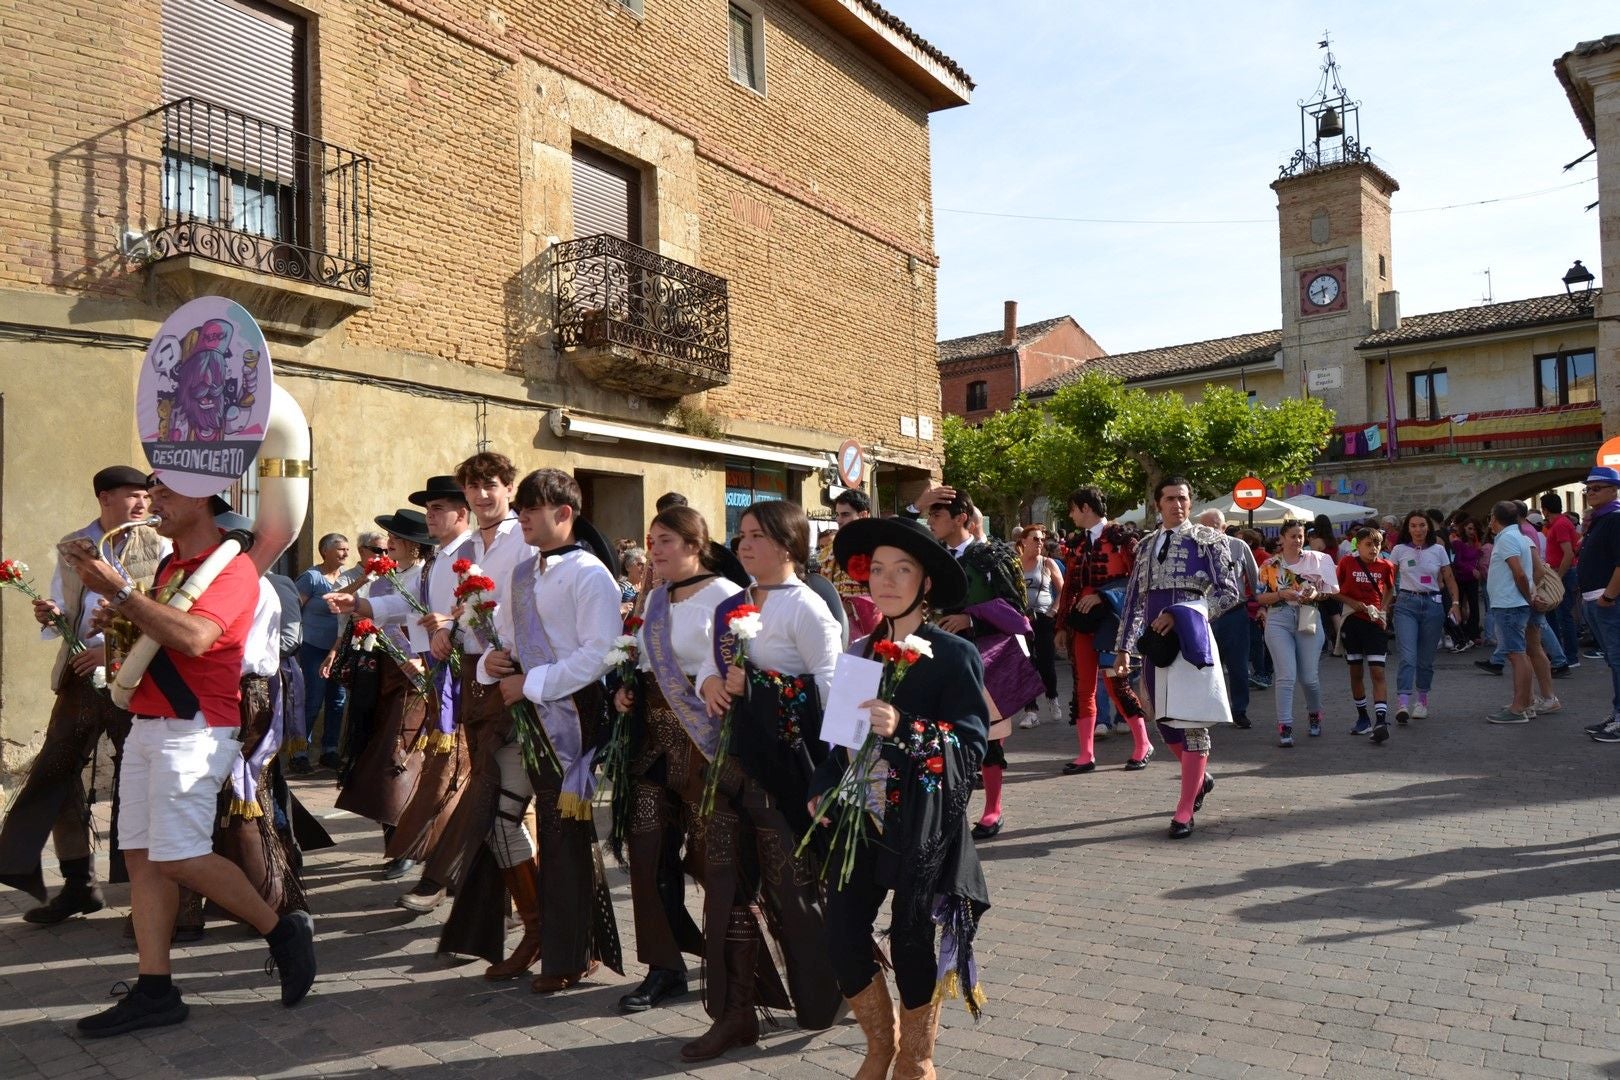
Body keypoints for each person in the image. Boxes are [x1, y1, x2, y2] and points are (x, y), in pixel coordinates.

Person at [62, 479, 315, 1036]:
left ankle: (282, 930)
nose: (152, 505)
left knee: (177, 857)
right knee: (143, 859)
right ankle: (156, 990)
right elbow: (155, 644)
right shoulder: (173, 565)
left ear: (201, 498)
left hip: (195, 727)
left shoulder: (232, 568)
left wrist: (125, 598)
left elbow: (198, 638)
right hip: (151, 721)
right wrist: (120, 626)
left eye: (163, 494)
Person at [814, 517, 992, 1079]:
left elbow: (971, 743)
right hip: (859, 820)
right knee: (842, 933)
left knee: (913, 939)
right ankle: (879, 1044)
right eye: (878, 571)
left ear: (926, 582)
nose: (886, 581)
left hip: (923, 825)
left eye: (903, 570)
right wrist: (820, 791)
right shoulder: (861, 650)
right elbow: (837, 741)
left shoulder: (954, 652)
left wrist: (907, 728)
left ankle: (917, 1057)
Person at [690, 500, 843, 1061]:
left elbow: (830, 689)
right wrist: (710, 681)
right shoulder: (734, 602)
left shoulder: (807, 609)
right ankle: (735, 1013)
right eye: (742, 534)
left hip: (781, 772)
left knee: (793, 892)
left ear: (786, 544)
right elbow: (712, 662)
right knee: (725, 888)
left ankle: (829, 993)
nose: (743, 543)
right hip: (730, 766)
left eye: (755, 535)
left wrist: (761, 684)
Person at [475, 468, 623, 994]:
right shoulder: (522, 573)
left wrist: (531, 683)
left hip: (571, 715)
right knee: (497, 819)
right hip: (526, 707)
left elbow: (600, 652)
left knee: (563, 836)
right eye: (523, 512)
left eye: (533, 511)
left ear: (565, 514)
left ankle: (571, 953)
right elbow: (510, 640)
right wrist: (491, 663)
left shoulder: (590, 574)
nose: (524, 521)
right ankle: (541, 932)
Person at [0, 466, 167, 923]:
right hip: (79, 673)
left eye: (146, 497)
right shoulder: (73, 544)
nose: (143, 505)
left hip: (134, 675)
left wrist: (107, 650)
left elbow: (163, 612)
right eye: (134, 496)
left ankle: (147, 896)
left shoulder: (161, 543)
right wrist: (51, 614)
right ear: (105, 497)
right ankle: (79, 885)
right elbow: (68, 605)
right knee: (57, 772)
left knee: (140, 776)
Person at [613, 506, 742, 1014]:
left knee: (715, 861)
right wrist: (626, 689)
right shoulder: (654, 596)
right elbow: (642, 658)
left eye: (665, 540)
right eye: (651, 540)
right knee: (648, 854)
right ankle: (665, 967)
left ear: (695, 543)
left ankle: (738, 960)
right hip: (650, 743)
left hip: (700, 744)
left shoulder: (725, 596)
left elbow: (728, 664)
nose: (654, 550)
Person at [398, 454, 532, 923]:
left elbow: (527, 609)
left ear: (509, 488)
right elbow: (468, 611)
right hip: (475, 672)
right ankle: (517, 896)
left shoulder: (524, 540)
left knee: (496, 788)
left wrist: (508, 653)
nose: (482, 495)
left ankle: (443, 878)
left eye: (490, 485)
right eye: (473, 488)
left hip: (512, 672)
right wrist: (447, 632)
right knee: (502, 791)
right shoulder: (469, 546)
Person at [1116, 477, 1242, 840]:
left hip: (1190, 639)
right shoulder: (1143, 546)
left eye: (1183, 498)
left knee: (1191, 723)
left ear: (1190, 502)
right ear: (1158, 504)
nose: (1177, 505)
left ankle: (1184, 809)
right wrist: (1124, 647)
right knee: (1166, 722)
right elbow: (1133, 603)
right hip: (1156, 643)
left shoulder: (1209, 540)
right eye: (1170, 499)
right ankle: (1199, 779)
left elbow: (1228, 593)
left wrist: (1184, 612)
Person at [920, 488, 1041, 840]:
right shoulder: (934, 557)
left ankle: (993, 809)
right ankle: (951, 808)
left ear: (961, 518)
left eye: (937, 516)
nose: (931, 522)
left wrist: (972, 620)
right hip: (940, 653)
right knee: (941, 733)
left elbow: (1017, 612)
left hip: (982, 655)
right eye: (929, 516)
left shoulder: (990, 556)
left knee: (989, 735)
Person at [375, 477, 475, 883]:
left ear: (461, 514)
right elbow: (400, 606)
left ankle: (435, 861)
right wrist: (361, 602)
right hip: (432, 674)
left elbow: (487, 609)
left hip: (458, 674)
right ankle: (435, 860)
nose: (430, 515)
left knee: (447, 766)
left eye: (438, 508)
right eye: (428, 509)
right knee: (437, 764)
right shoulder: (434, 564)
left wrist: (451, 624)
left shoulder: (467, 554)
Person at [326, 510, 435, 875]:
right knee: (374, 755)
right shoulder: (384, 575)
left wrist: (423, 659)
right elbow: (364, 614)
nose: (389, 542)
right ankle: (397, 842)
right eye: (389, 537)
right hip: (381, 674)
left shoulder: (426, 575)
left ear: (414, 545)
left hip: (415, 678)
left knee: (397, 754)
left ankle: (409, 846)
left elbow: (430, 619)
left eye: (397, 538)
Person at [1054, 486, 1154, 772]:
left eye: (1073, 508)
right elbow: (1071, 586)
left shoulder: (1122, 538)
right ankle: (1086, 754)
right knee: (1083, 684)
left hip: (1113, 619)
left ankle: (1143, 744)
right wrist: (1061, 626)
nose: (1071, 515)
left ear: (1086, 508)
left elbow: (1139, 582)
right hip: (1083, 622)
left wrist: (1101, 595)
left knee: (1116, 682)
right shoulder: (1077, 543)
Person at [1256, 518, 1338, 747]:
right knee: (1286, 676)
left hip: (1308, 618)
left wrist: (1314, 595)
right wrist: (1281, 595)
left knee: (1309, 678)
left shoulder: (1318, 559)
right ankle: (1285, 726)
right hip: (1279, 619)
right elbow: (1259, 596)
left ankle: (1314, 714)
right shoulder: (1269, 565)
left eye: (1301, 536)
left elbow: (1330, 592)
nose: (1297, 540)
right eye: (1292, 536)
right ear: (1281, 539)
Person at [1389, 510, 1463, 724]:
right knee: (1408, 656)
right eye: (1413, 525)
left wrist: (1456, 604)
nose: (1418, 529)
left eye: (1422, 525)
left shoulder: (1438, 549)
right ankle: (1403, 702)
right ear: (1407, 528)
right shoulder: (1399, 550)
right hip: (1406, 604)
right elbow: (1389, 579)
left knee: (1425, 659)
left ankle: (1422, 701)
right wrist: (1385, 604)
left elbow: (1449, 578)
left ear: (1428, 527)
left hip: (1433, 605)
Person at [1484, 500, 1550, 724]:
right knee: (1520, 652)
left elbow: (1519, 573)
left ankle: (1518, 707)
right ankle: (1527, 702)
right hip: (1512, 603)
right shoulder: (1517, 536)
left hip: (1510, 604)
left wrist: (1526, 597)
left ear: (1495, 518)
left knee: (1516, 654)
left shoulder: (1507, 539)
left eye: (1491, 517)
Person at [293, 533, 351, 771]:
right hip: (312, 648)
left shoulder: (347, 579)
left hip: (338, 649)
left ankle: (330, 750)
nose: (346, 553)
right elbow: (294, 608)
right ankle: (299, 753)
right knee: (313, 698)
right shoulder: (312, 577)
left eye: (347, 549)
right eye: (340, 549)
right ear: (324, 551)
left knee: (337, 700)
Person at [1200, 509, 1260, 731]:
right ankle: (1208, 710)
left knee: (1238, 666)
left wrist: (1260, 605)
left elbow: (1255, 579)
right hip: (1204, 615)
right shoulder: (1194, 548)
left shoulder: (1238, 546)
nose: (1210, 530)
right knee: (1204, 666)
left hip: (1235, 614)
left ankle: (1240, 711)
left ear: (1224, 527)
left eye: (1215, 526)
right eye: (1205, 526)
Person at [1336, 526, 1397, 742]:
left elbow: (1390, 589)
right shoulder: (1346, 562)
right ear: (1358, 545)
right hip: (1352, 622)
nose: (1374, 549)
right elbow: (1335, 590)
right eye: (1368, 545)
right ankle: (1363, 717)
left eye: (1377, 544)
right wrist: (1353, 603)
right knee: (1355, 671)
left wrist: (1383, 609)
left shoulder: (1386, 566)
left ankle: (1381, 720)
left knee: (1377, 671)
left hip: (1375, 624)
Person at [1577, 469, 1620, 741]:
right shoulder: (1599, 520)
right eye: (1588, 489)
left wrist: (1609, 598)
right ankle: (1617, 713)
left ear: (1614, 490)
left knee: (1618, 660)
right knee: (1613, 661)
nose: (1591, 492)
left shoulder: (1615, 519)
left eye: (1597, 488)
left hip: (1607, 602)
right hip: (1595, 601)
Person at [1015, 524, 1063, 729]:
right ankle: (1031, 711)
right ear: (1023, 541)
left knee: (1046, 665)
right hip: (1021, 621)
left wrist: (1053, 610)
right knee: (1025, 666)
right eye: (1035, 539)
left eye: (1042, 539)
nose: (1040, 543)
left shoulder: (1047, 563)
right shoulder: (1014, 565)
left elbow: (1064, 590)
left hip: (1044, 619)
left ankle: (1052, 697)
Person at [825, 489, 881, 638]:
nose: (839, 520)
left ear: (863, 515)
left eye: (845, 514)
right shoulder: (830, 549)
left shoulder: (879, 548)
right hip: (833, 623)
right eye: (837, 514)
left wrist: (852, 607)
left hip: (866, 625)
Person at [1543, 492, 1582, 666]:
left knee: (1563, 616)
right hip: (1561, 572)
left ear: (1545, 510)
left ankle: (1570, 656)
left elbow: (1568, 553)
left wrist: (1557, 578)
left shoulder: (1559, 525)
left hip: (1563, 573)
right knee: (1555, 614)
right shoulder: (1562, 523)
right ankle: (1558, 653)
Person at [1307, 515, 1344, 654]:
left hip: (1319, 580)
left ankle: (1321, 645)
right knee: (1335, 614)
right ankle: (1340, 645)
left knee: (1319, 612)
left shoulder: (1317, 541)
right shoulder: (1334, 542)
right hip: (1332, 578)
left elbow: (1311, 562)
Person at [1450, 518, 1486, 650]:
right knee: (1458, 604)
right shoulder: (1458, 543)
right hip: (1460, 578)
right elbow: (1458, 562)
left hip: (1472, 579)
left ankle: (1473, 633)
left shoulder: (1476, 544)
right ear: (1464, 528)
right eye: (1470, 528)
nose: (1472, 531)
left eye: (1474, 529)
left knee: (1474, 605)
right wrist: (1472, 570)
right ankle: (1459, 632)